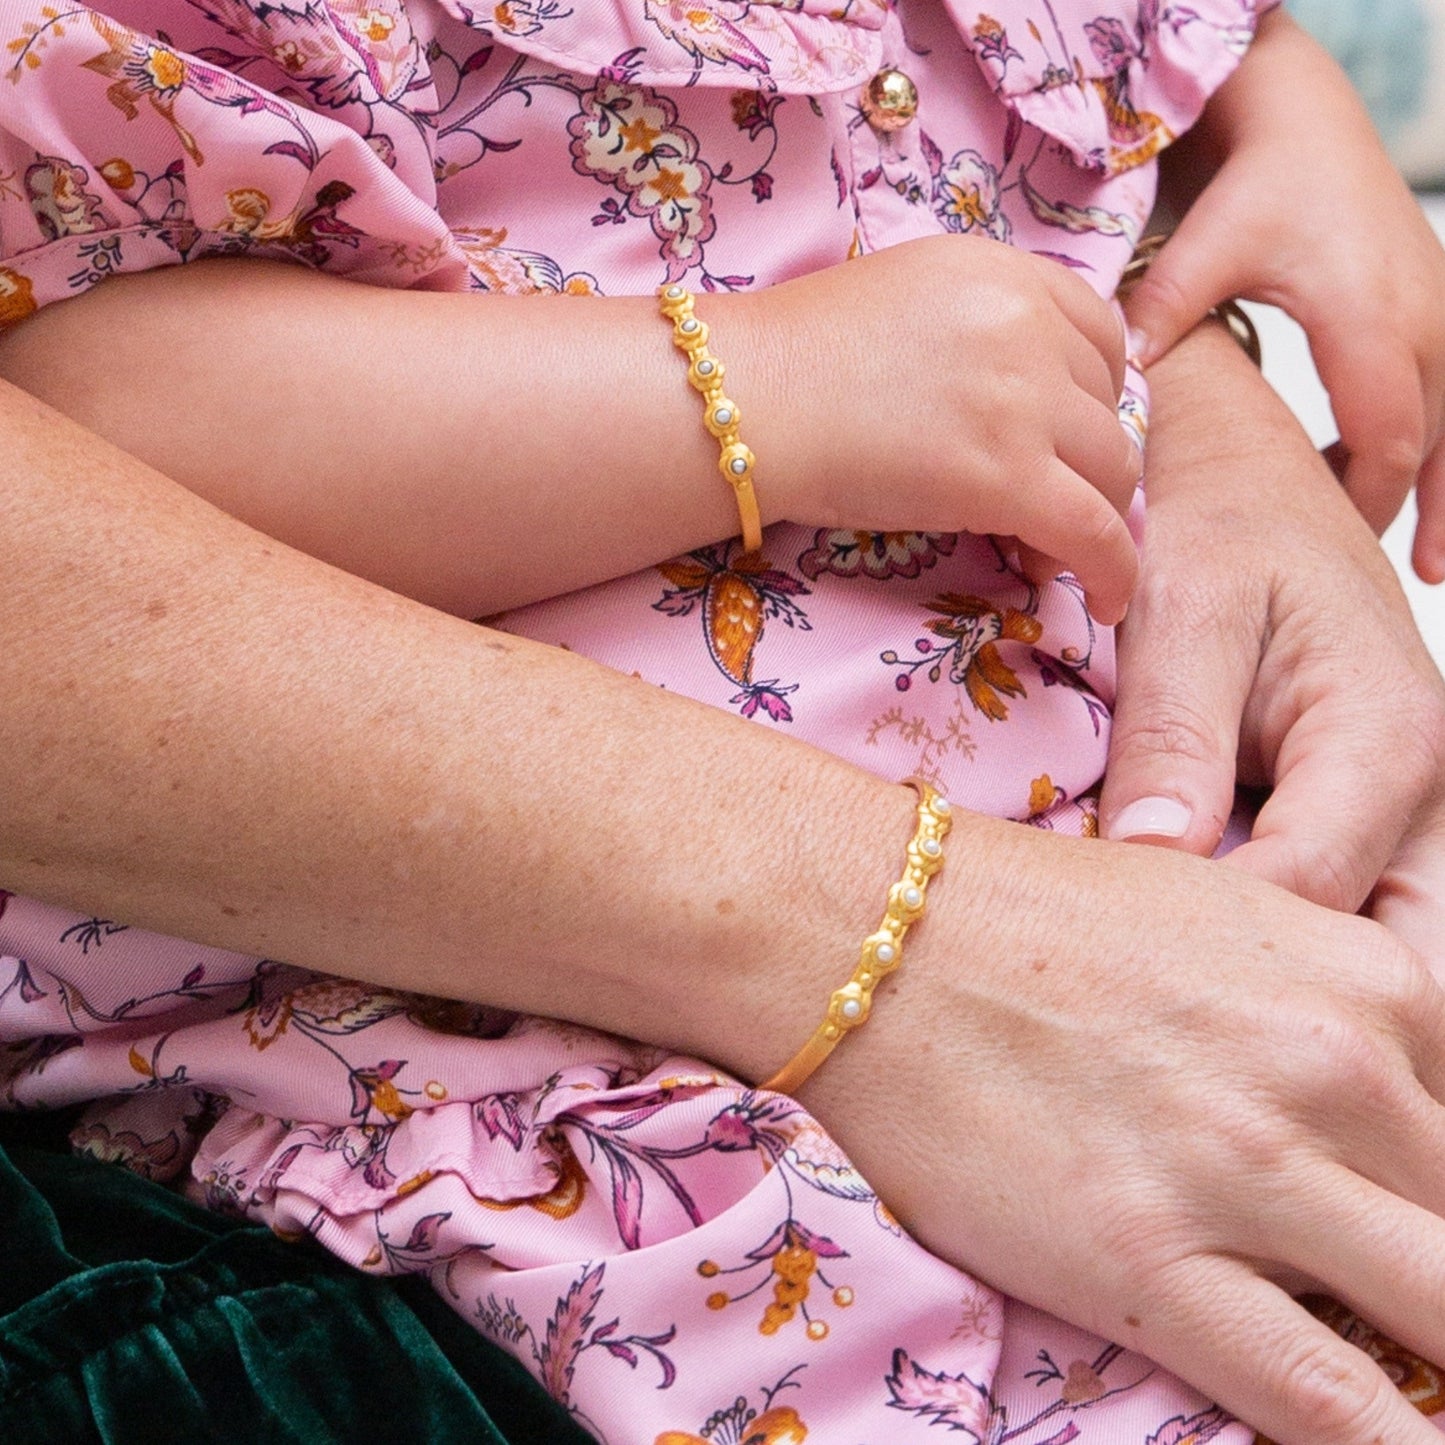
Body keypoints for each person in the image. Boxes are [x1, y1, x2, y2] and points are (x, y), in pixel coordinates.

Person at [1, 2, 1445, 1442]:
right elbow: (79, 388)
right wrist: (751, 390)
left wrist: (1282, 149)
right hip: (502, 1034)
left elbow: (1152, 65)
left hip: (1150, 911)